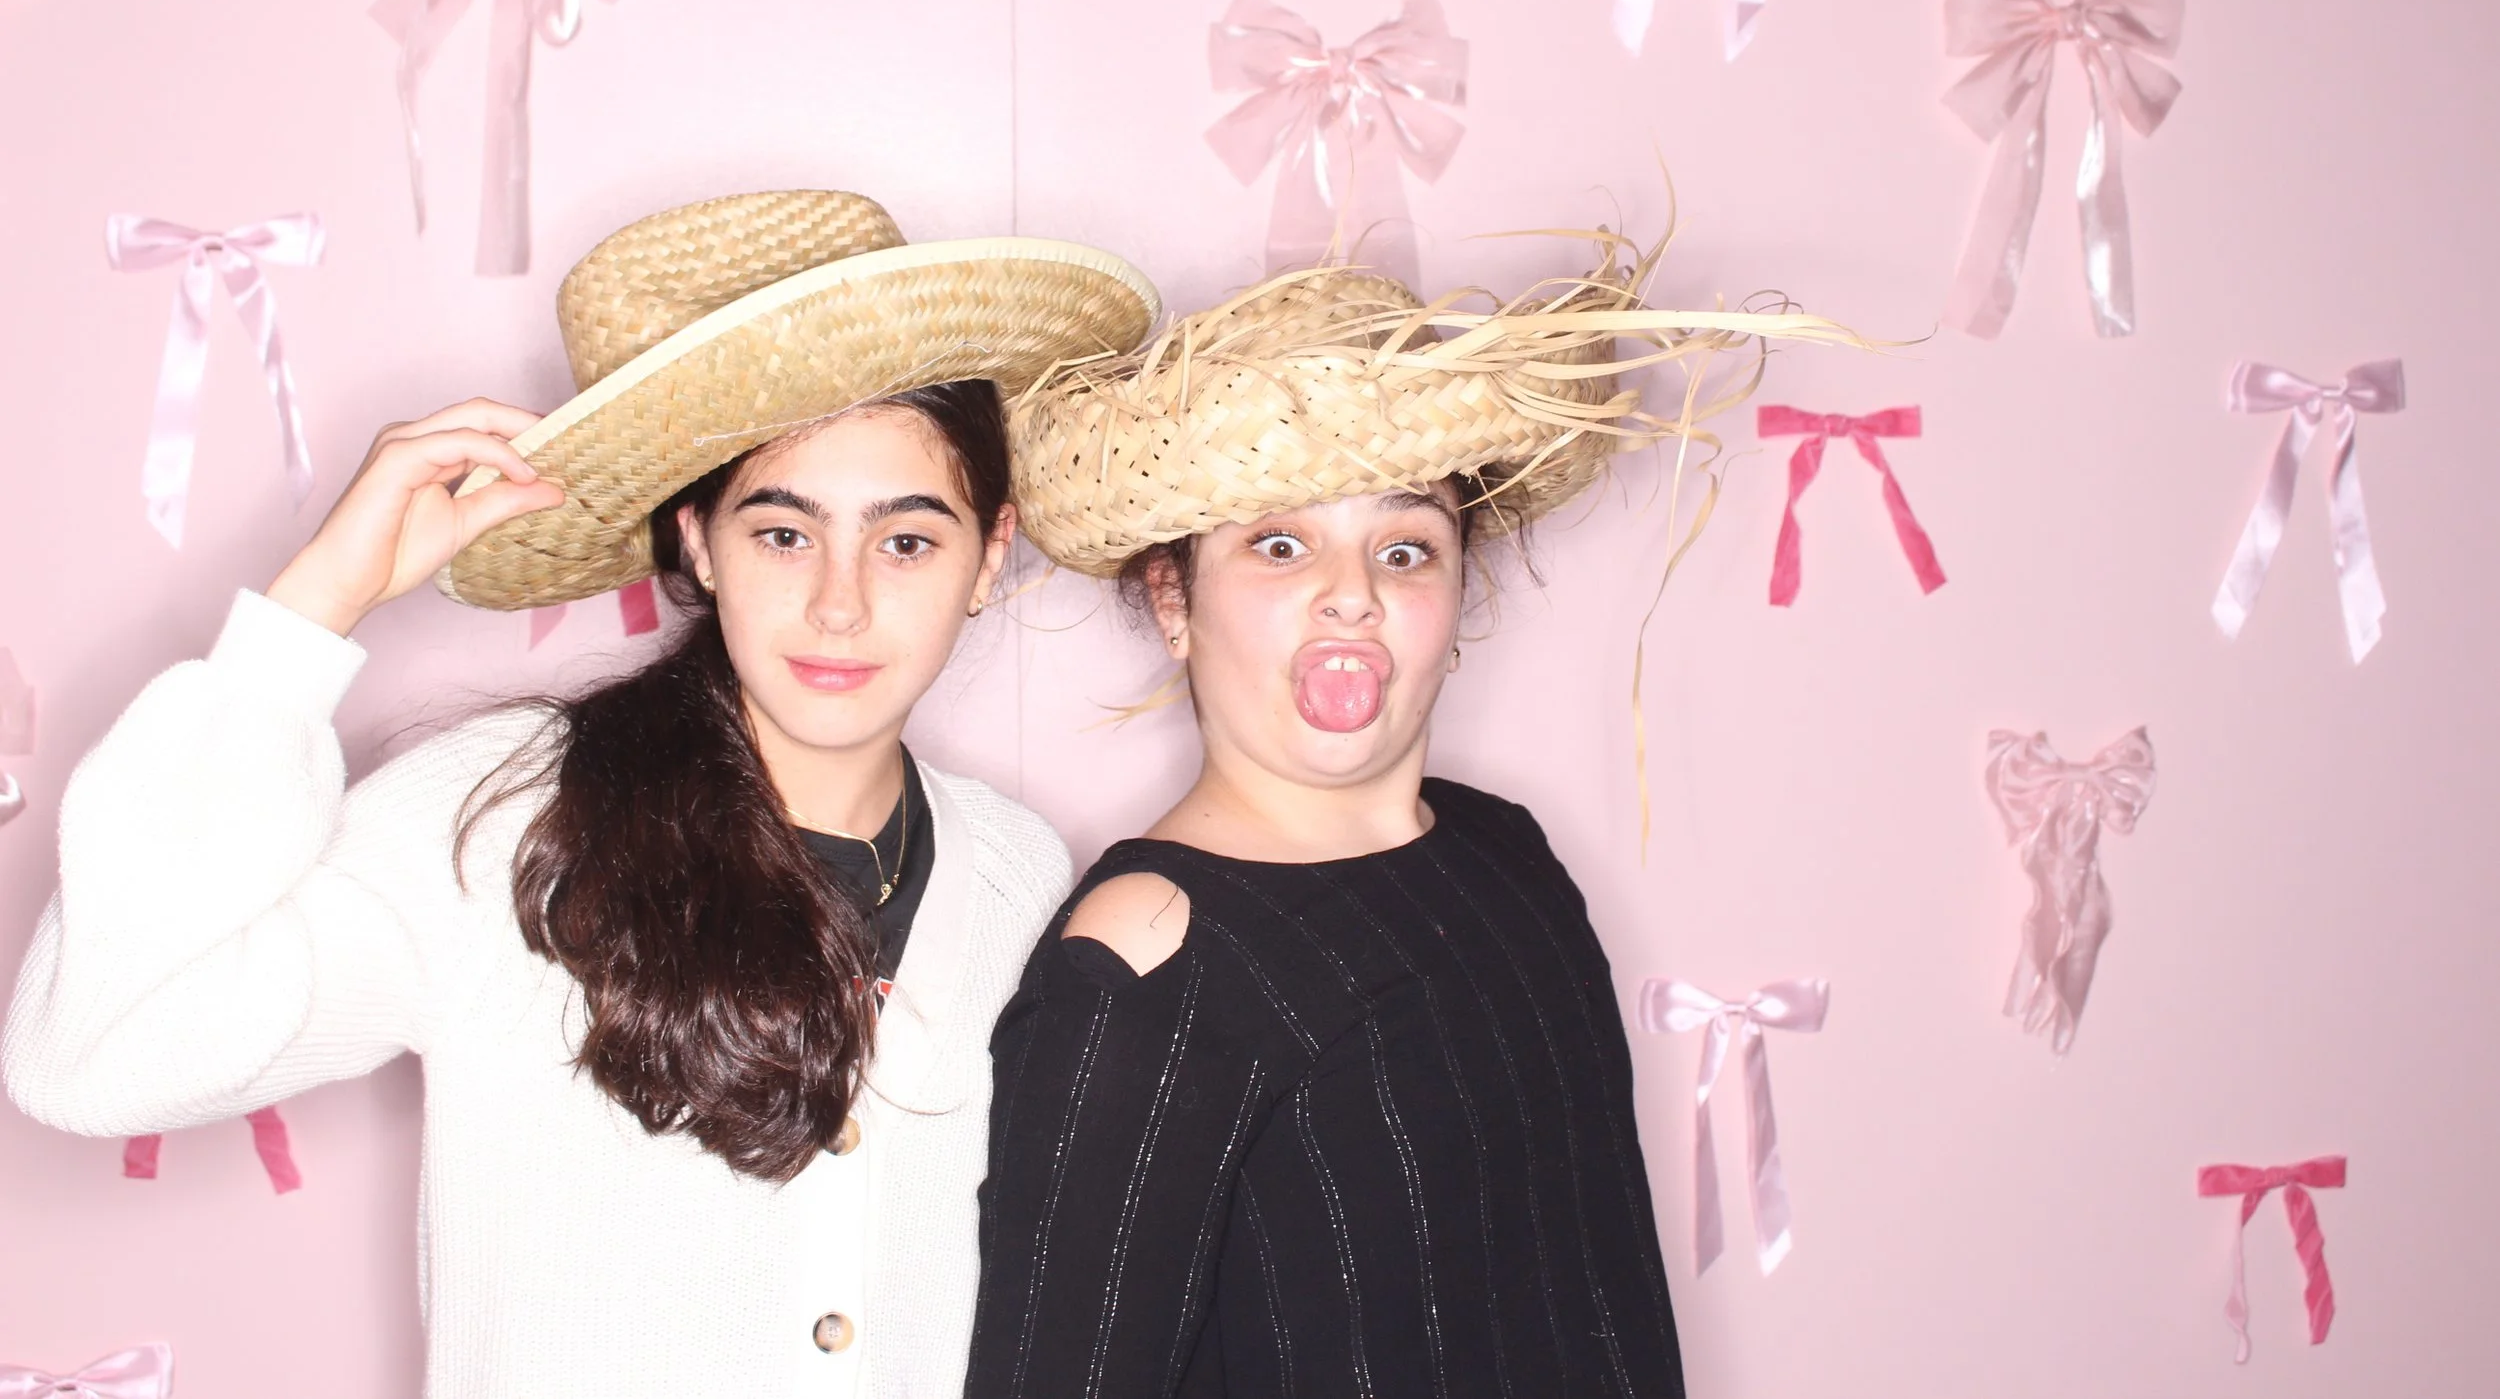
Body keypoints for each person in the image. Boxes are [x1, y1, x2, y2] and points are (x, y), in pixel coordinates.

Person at [3, 191, 1158, 1398]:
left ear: (990, 552)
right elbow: (89, 1053)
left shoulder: (1019, 869)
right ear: (697, 540)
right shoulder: (510, 815)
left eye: (906, 540)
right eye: (782, 533)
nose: (839, 601)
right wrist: (308, 615)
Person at [965, 261, 1849, 1399]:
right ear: (1175, 598)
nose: (1353, 594)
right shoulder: (1144, 956)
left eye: (1404, 547)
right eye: (1280, 544)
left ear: (1458, 589)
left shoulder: (1509, 854)